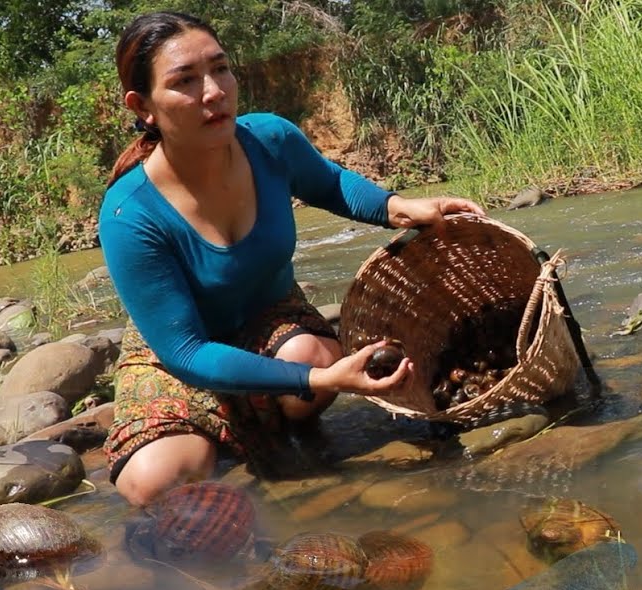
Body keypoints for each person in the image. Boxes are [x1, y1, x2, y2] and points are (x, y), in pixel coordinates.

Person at [99, 11, 485, 506]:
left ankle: (276, 422)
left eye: (220, 69)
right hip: (180, 347)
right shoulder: (130, 214)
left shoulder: (269, 140)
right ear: (143, 106)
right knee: (155, 483)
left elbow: (330, 183)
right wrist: (320, 381)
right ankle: (249, 423)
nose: (213, 92)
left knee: (310, 358)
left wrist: (397, 207)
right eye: (185, 81)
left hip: (271, 314)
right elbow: (186, 352)